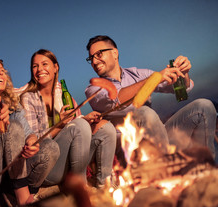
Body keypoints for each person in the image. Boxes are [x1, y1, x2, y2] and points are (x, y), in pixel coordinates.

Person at [85, 35, 217, 165]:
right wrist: (154, 78)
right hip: (132, 148)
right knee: (144, 112)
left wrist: (183, 72)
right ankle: (165, 171)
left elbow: (183, 88)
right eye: (91, 58)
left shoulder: (138, 74)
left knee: (203, 106)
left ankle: (206, 169)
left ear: (114, 53)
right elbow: (116, 100)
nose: (94, 62)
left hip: (160, 137)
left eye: (99, 54)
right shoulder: (93, 89)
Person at [0, 55, 59, 205]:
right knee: (12, 126)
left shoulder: (12, 104)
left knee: (50, 147)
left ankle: (24, 193)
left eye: (2, 70)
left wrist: (32, 142)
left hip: (12, 175)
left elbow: (28, 133)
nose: (1, 73)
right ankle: (23, 199)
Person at [20, 49, 117, 186]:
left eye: (44, 64)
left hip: (69, 160)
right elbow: (34, 141)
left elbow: (76, 128)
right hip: (47, 167)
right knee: (80, 125)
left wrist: (86, 119)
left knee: (106, 128)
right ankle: (80, 189)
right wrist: (60, 125)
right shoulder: (29, 98)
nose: (39, 69)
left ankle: (106, 186)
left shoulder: (63, 95)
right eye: (35, 66)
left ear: (56, 67)